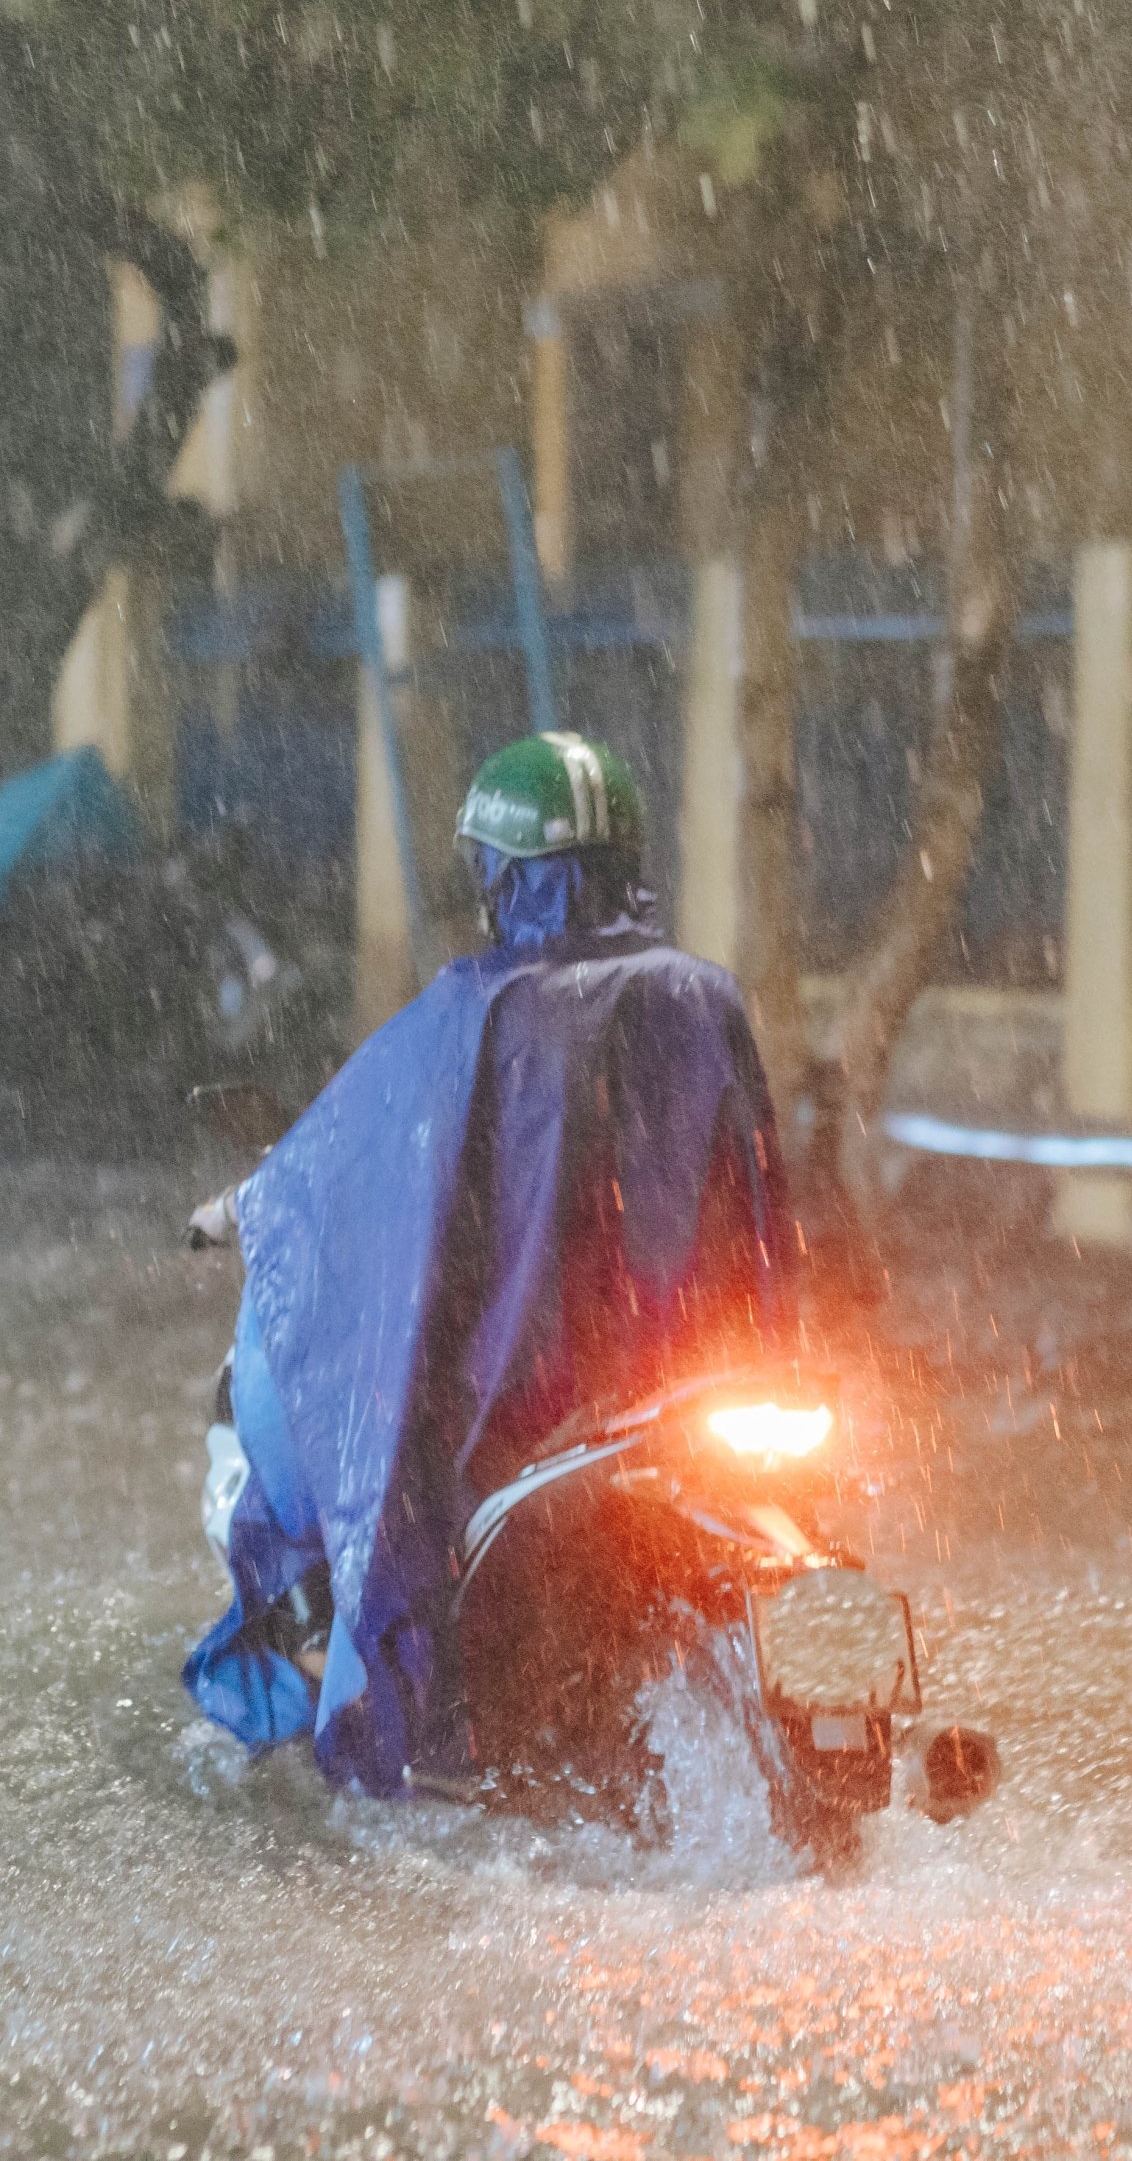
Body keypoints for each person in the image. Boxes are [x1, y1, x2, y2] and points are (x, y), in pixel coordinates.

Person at [183, 730, 806, 1798]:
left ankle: (407, 1728)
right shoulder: (705, 996)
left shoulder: (478, 1009)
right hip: (687, 1383)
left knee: (385, 1491)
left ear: (501, 878)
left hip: (528, 1403)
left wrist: (248, 1201)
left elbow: (346, 1161)